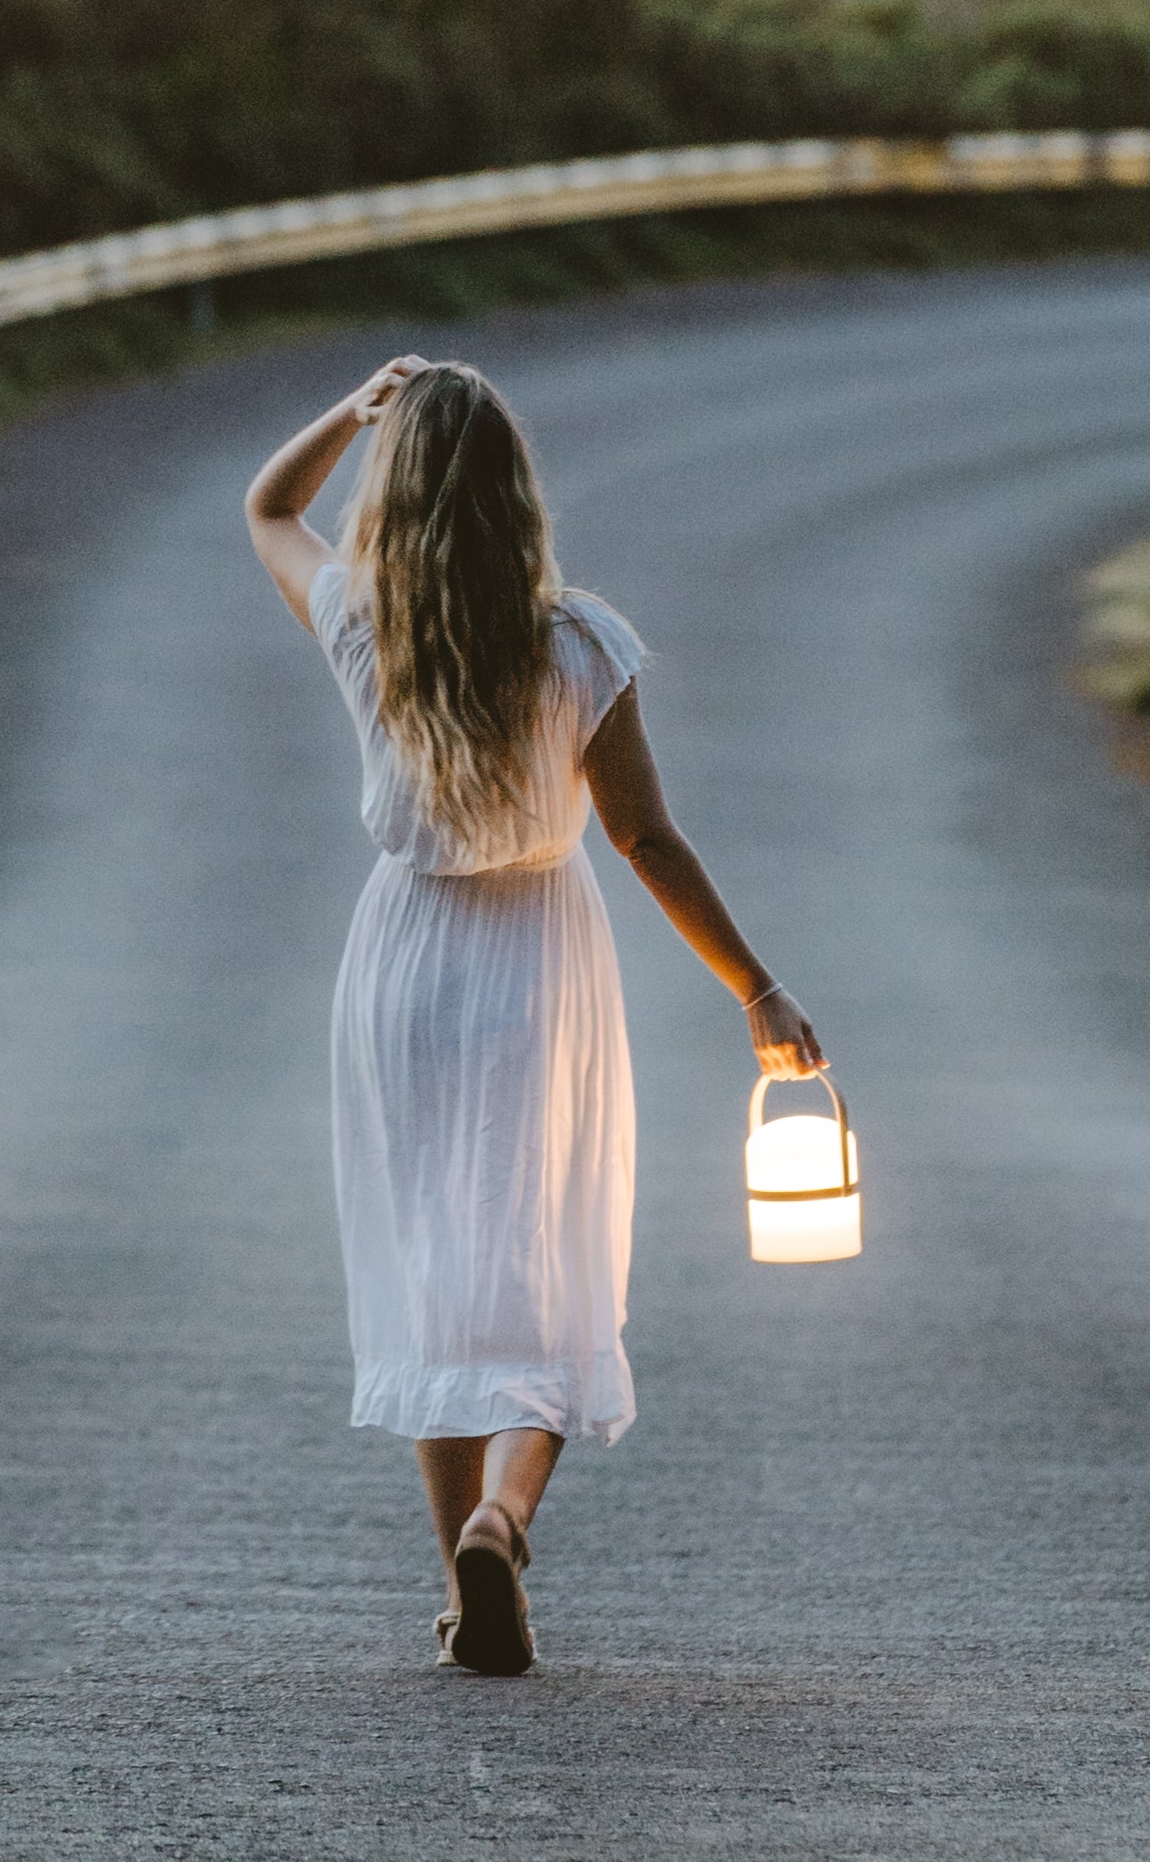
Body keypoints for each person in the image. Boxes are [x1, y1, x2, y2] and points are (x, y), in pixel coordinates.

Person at [245, 353, 824, 1677]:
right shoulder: (583, 645)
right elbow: (645, 838)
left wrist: (352, 408)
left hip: (401, 966)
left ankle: (462, 1592)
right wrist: (756, 986)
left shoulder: (362, 623)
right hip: (538, 970)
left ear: (395, 496)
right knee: (554, 1264)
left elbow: (269, 507)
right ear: (516, 494)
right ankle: (500, 1527)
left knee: (436, 1271)